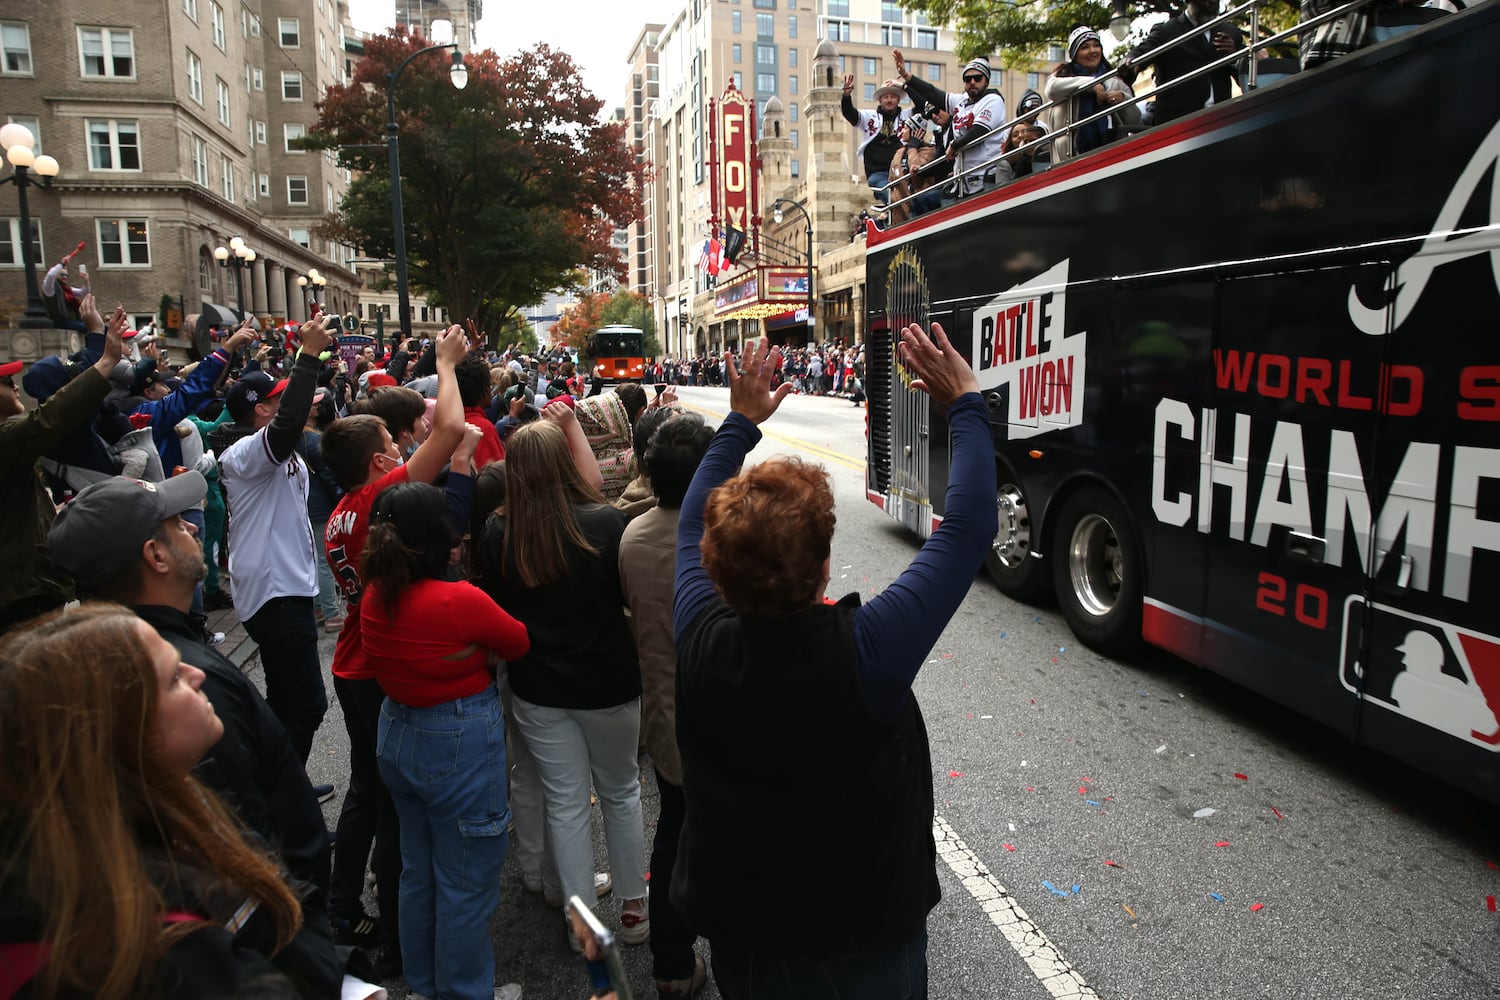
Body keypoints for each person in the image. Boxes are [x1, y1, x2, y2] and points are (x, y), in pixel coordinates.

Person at [670, 332, 996, 998]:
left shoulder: (699, 635)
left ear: (715, 568)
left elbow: (684, 525)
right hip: (866, 945)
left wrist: (738, 423)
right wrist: (964, 404)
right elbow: (966, 529)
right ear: (823, 566)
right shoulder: (867, 653)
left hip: (746, 941)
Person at [45, 472, 345, 995]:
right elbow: (239, 849)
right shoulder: (168, 684)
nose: (190, 525)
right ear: (155, 557)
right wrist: (308, 954)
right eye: (174, 523)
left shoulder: (152, 654)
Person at [0, 605, 330, 998]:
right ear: (122, 733)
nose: (199, 674)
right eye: (174, 677)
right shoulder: (181, 965)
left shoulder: (167, 824)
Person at [318, 324, 470, 976]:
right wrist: (443, 364)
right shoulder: (380, 497)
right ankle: (394, 931)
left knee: (365, 790)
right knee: (387, 803)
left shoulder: (338, 514)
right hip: (373, 667)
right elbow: (452, 430)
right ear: (379, 462)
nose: (401, 443)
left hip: (350, 661)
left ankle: (341, 903)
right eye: (392, 441)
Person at [475, 421, 649, 951]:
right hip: (609, 679)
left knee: (566, 803)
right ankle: (634, 912)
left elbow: (491, 608)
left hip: (537, 685)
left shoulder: (499, 531)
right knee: (621, 790)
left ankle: (583, 930)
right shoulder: (603, 523)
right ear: (565, 462)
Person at [360, 482, 529, 1000]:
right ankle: (465, 991)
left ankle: (427, 987)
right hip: (457, 741)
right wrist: (474, 656)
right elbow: (518, 642)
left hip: (398, 733)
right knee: (464, 881)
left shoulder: (375, 593)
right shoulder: (458, 599)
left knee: (419, 874)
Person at [618, 413, 715, 999]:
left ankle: (673, 965)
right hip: (722, 722)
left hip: (663, 715)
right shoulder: (722, 538)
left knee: (675, 832)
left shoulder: (632, 536)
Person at [217, 314, 336, 763]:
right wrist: (305, 358)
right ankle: (284, 806)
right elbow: (286, 428)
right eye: (276, 399)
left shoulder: (267, 445)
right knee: (306, 705)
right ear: (260, 411)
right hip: (274, 593)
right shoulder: (246, 451)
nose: (289, 403)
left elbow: (296, 420)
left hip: (284, 588)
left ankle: (277, 790)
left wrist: (319, 354)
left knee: (286, 703)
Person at [0, 301, 124, 634]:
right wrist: (104, 354)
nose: (14, 386)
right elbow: (55, 416)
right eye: (5, 382)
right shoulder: (6, 438)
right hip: (22, 593)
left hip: (29, 586)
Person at [896, 50, 1008, 200]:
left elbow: (979, 131)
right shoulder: (961, 101)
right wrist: (906, 77)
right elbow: (932, 94)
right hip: (962, 180)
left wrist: (955, 145)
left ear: (986, 81)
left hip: (986, 178)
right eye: (968, 79)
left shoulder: (993, 100)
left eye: (977, 78)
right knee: (923, 202)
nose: (972, 82)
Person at [1121, 0, 1244, 125]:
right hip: (1180, 125)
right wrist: (1130, 61)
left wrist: (1235, 54)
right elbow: (1142, 52)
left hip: (1221, 119)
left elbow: (1246, 74)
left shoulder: (1229, 32)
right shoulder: (1167, 31)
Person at [1044, 26, 1140, 160]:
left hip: (1112, 154)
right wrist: (1091, 84)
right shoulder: (1063, 76)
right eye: (1085, 47)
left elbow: (1135, 119)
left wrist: (1123, 99)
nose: (1092, 51)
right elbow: (1051, 89)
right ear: (1074, 54)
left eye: (1096, 45)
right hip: (1071, 159)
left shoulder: (1115, 80)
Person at [841, 75, 909, 206]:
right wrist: (846, 97)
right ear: (880, 99)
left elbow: (924, 102)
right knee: (893, 199)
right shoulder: (870, 117)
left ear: (899, 99)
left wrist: (903, 86)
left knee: (910, 200)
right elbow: (850, 114)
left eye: (893, 96)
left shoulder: (906, 116)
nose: (889, 100)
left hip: (902, 170)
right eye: (885, 97)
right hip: (878, 173)